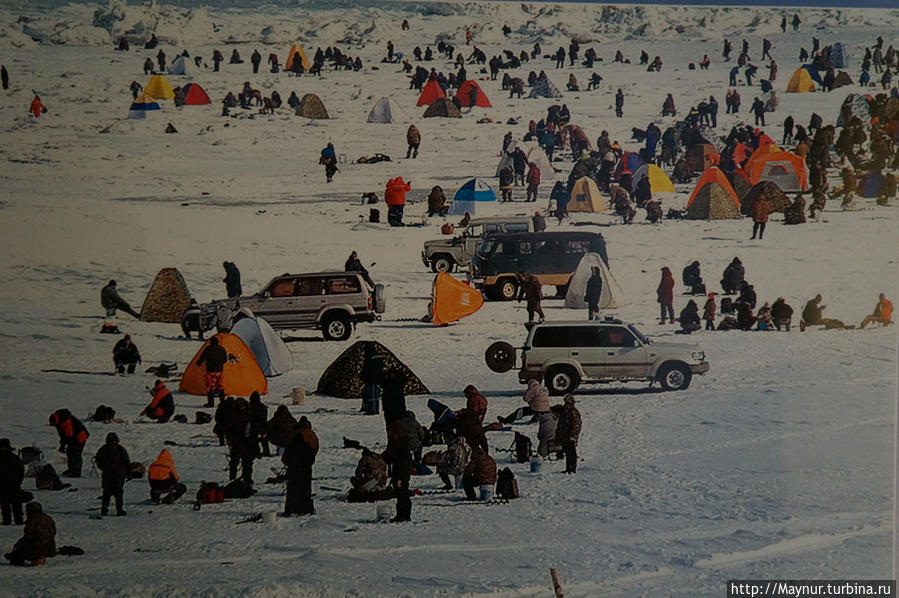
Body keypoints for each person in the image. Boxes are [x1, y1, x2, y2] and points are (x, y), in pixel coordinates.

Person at [384, 411, 427, 522]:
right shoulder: (414, 424)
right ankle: (405, 515)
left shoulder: (397, 444)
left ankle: (402, 516)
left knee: (401, 493)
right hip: (407, 466)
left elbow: (388, 456)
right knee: (403, 491)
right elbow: (422, 436)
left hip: (400, 472)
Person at [282, 417, 319, 516]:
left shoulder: (298, 435)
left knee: (293, 490)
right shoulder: (312, 435)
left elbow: (291, 451)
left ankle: (292, 509)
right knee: (306, 489)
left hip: (295, 467)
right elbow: (315, 449)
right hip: (307, 467)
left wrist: (286, 460)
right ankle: (306, 509)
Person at [4, 502, 55, 566]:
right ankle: (40, 558)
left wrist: (19, 544)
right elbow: (53, 532)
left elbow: (29, 536)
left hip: (37, 547)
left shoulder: (32, 520)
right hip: (49, 547)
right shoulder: (48, 519)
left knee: (23, 548)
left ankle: (29, 558)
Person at [94, 432, 130, 516]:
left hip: (107, 474)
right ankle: (119, 510)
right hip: (118, 474)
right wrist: (126, 472)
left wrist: (104, 468)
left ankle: (104, 508)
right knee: (118, 493)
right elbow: (126, 461)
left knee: (106, 492)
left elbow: (98, 461)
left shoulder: (103, 449)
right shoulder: (120, 449)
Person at [49, 409, 89, 477]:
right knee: (69, 452)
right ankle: (71, 469)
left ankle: (76, 472)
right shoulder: (59, 422)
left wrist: (64, 444)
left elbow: (69, 435)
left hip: (80, 436)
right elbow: (62, 435)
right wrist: (62, 444)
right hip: (73, 437)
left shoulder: (66, 420)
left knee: (76, 453)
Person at [197, 336, 231, 407]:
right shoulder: (222, 349)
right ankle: (222, 402)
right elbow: (225, 360)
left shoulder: (208, 349)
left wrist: (198, 363)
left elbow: (202, 358)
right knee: (220, 385)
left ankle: (211, 403)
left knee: (210, 386)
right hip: (219, 370)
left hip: (210, 370)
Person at [228, 398, 256, 483]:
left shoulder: (248, 415)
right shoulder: (233, 416)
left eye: (242, 405)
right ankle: (233, 478)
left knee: (247, 462)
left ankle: (247, 477)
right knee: (235, 461)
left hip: (246, 441)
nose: (241, 407)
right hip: (237, 441)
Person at [554, 394, 581, 473]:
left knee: (571, 453)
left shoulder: (573, 412)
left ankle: (571, 469)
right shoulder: (565, 410)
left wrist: (573, 436)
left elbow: (576, 425)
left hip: (570, 436)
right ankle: (568, 468)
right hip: (564, 436)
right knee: (568, 452)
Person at [0, 438, 24, 525]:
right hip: (15, 484)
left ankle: (7, 520)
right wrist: (19, 481)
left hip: (2, 485)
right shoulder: (15, 458)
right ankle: (19, 520)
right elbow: (21, 471)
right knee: (16, 503)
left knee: (4, 503)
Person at [361, 344, 384, 415]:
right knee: (376, 395)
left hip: (370, 378)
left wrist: (363, 376)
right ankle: (375, 408)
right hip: (377, 378)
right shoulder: (379, 357)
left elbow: (366, 368)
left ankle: (371, 410)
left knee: (370, 395)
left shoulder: (369, 357)